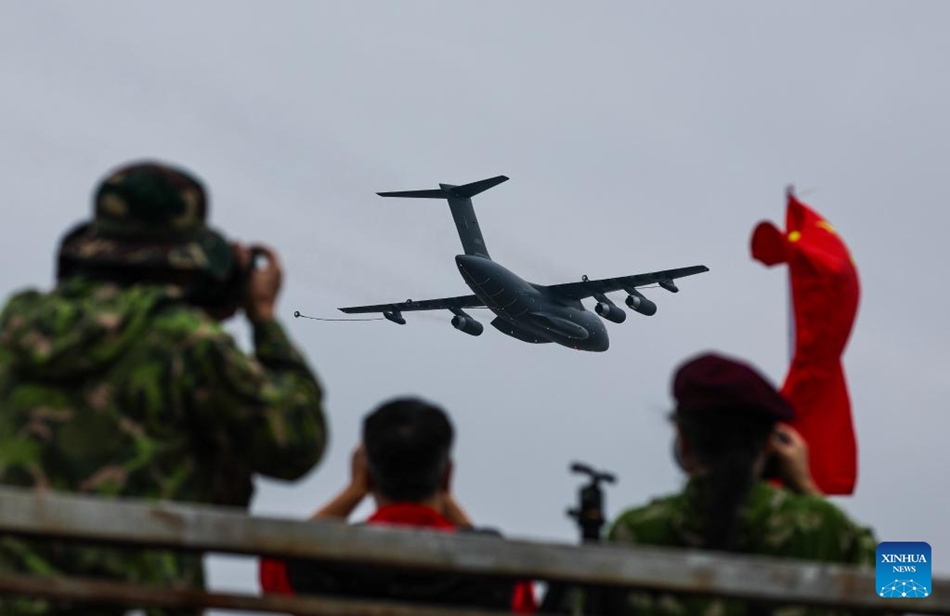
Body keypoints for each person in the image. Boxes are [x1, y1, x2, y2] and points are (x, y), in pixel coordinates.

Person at [0, 161, 327, 615]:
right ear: (187, 254)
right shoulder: (182, 341)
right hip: (136, 601)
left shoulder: (11, 330)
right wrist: (264, 321)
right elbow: (295, 443)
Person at [603, 352, 879, 616]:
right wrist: (807, 488)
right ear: (771, 446)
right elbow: (912, 583)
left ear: (683, 444)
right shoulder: (819, 527)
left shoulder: (635, 532)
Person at [260, 397, 537, 613]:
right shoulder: (494, 570)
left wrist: (354, 491)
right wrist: (446, 498)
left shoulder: (327, 561)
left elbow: (274, 567)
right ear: (447, 475)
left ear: (366, 471)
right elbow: (522, 603)